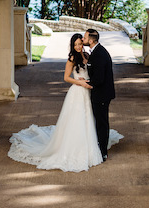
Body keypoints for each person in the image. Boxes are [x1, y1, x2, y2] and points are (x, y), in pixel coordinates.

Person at [8, 33, 122, 172]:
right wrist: (80, 83)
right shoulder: (72, 58)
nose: (79, 46)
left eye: (80, 43)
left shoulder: (87, 56)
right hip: (78, 92)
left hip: (89, 93)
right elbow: (66, 78)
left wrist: (91, 84)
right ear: (72, 46)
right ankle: (75, 147)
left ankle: (91, 143)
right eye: (76, 45)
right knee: (77, 120)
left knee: (90, 119)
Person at [84, 28, 116, 161]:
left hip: (102, 94)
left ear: (91, 40)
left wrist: (87, 83)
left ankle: (103, 151)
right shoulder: (97, 51)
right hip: (101, 93)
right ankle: (100, 145)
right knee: (100, 121)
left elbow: (99, 79)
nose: (83, 39)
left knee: (102, 123)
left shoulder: (99, 54)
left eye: (85, 38)